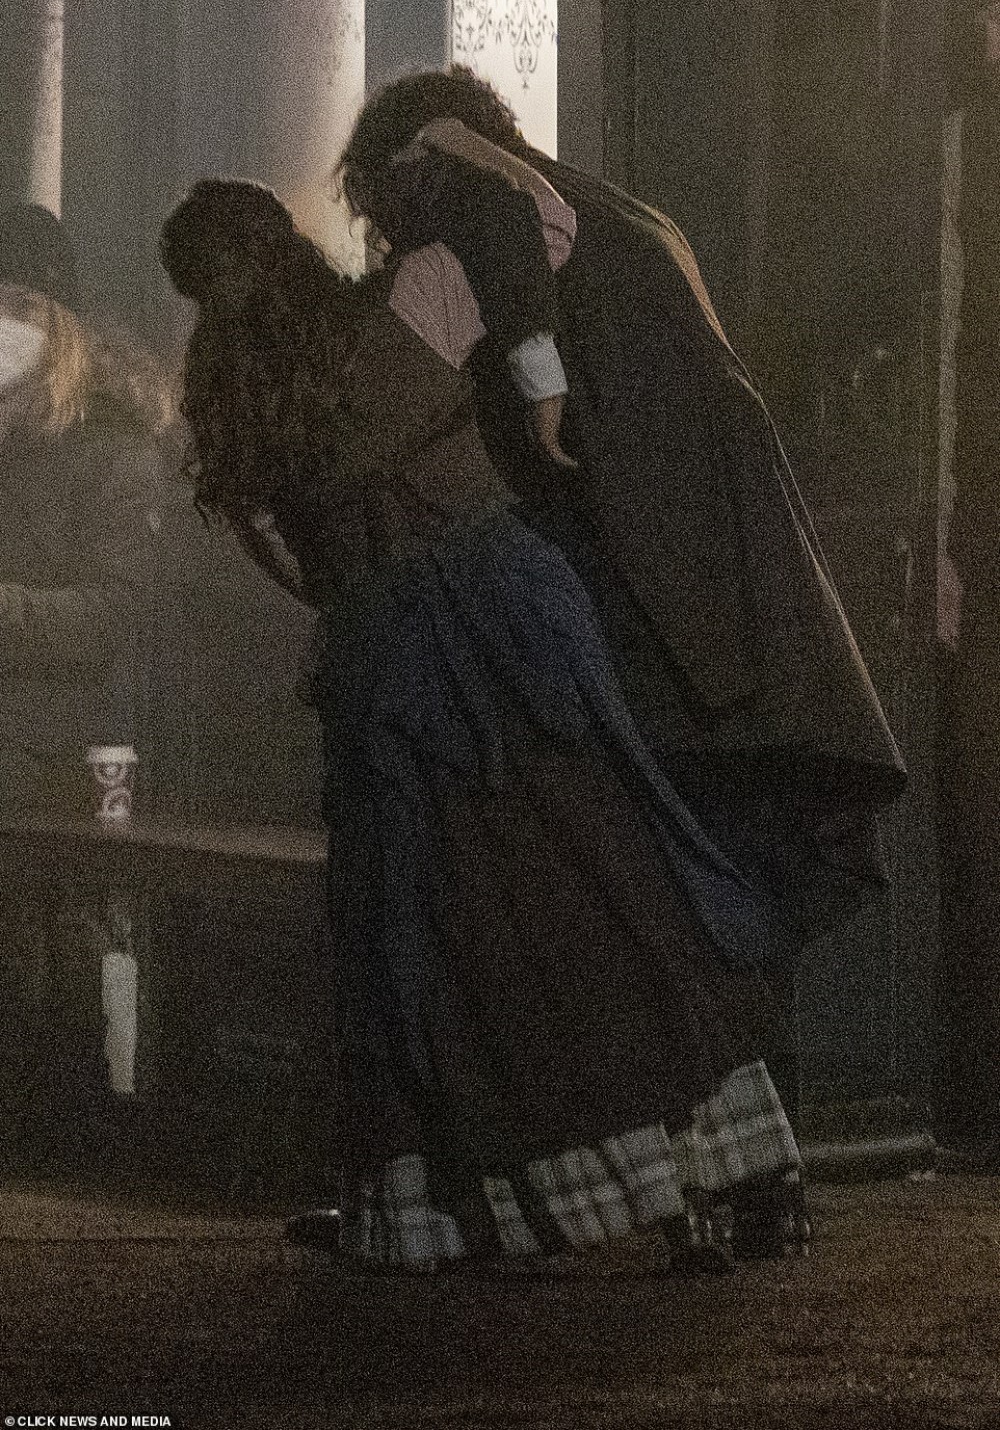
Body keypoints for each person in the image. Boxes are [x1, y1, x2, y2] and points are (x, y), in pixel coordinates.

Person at [160, 176, 808, 1276]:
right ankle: (722, 1171)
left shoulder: (235, 409)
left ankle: (450, 1210)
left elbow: (297, 574)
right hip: (510, 622)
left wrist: (373, 603)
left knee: (434, 930)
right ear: (291, 243)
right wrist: (445, 144)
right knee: (609, 884)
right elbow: (546, 222)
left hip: (389, 664)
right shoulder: (417, 296)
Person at [335, 68, 908, 976]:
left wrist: (536, 391)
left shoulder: (476, 190)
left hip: (653, 598)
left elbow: (501, 217)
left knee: (675, 910)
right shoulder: (631, 220)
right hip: (731, 589)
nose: (381, 234)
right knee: (738, 895)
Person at [0, 203, 168, 1140]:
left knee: (52, 948)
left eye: (17, 308)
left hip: (57, 747)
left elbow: (109, 618)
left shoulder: (108, 444)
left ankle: (67, 1114)